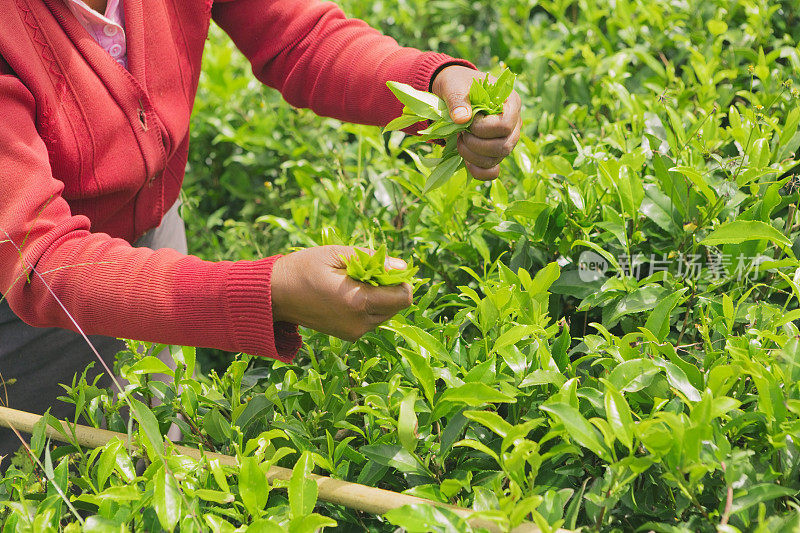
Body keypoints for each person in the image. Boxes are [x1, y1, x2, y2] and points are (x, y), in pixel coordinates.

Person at [0, 0, 522, 455]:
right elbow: (40, 256)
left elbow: (298, 34)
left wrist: (433, 88)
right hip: (25, 309)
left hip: (153, 247)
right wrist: (266, 294)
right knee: (52, 479)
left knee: (159, 443)